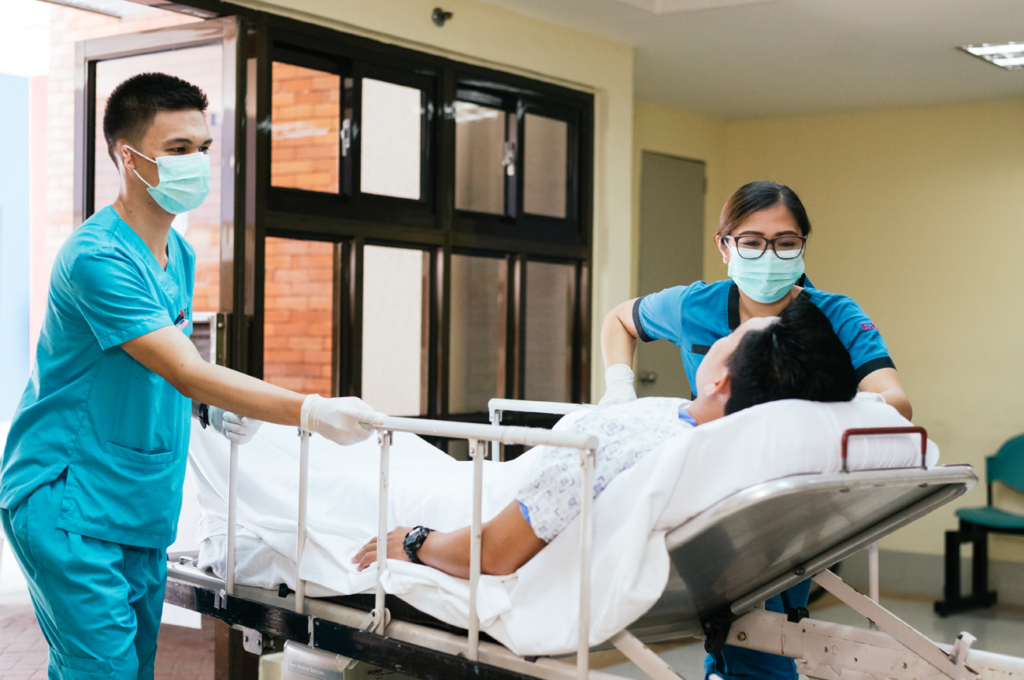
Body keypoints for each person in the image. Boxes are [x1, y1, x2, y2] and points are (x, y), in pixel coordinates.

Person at [0, 73, 374, 680]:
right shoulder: (96, 258)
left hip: (139, 501)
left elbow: (158, 364)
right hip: (68, 496)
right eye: (177, 149)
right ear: (129, 157)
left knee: (133, 669)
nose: (196, 163)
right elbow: (185, 368)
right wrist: (310, 410)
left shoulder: (181, 254)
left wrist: (208, 407)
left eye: (202, 148)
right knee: (101, 671)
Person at [598, 181, 912, 680]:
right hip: (715, 484)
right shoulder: (695, 306)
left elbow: (895, 401)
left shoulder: (831, 315)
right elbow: (619, 319)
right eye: (751, 242)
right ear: (724, 246)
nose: (769, 256)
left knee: (769, 622)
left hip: (790, 492)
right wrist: (618, 387)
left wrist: (810, 415)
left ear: (803, 245)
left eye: (785, 242)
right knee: (746, 627)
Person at [352, 297, 858, 579]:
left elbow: (498, 550)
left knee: (338, 460)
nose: (718, 341)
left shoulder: (626, 445)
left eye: (725, 341)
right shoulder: (716, 443)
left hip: (449, 504)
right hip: (481, 481)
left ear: (720, 381)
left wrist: (416, 541)